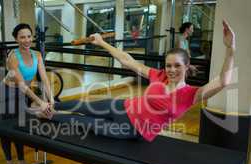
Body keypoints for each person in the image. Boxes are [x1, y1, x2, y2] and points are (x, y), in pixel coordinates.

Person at [42, 20, 235, 143]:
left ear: (186, 66)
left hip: (129, 129)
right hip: (120, 106)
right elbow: (128, 60)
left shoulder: (191, 94)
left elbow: (223, 81)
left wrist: (230, 50)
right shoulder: (159, 75)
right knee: (83, 105)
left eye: (177, 66)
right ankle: (51, 105)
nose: (172, 70)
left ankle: (49, 115)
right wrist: (101, 42)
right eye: (168, 65)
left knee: (83, 122)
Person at [0, 23, 54, 164]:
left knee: (21, 126)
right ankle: (10, 163)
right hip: (8, 92)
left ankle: (22, 161)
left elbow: (44, 78)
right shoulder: (12, 57)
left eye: (29, 36)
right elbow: (22, 85)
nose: (26, 40)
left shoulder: (37, 55)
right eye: (22, 37)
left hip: (23, 92)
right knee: (7, 128)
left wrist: (51, 99)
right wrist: (41, 102)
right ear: (16, 39)